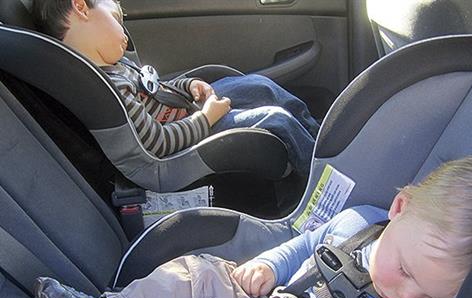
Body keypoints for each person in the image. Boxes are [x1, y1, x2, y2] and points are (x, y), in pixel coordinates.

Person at [34, 155, 472, 298]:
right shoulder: (358, 222)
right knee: (199, 275)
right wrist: (265, 264)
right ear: (400, 208)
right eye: (407, 272)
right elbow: (299, 244)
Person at [31, 0, 320, 176]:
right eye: (117, 19)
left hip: (191, 114)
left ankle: (322, 139)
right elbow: (157, 142)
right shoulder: (108, 88)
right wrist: (206, 118)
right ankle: (323, 175)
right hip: (187, 141)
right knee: (275, 119)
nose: (124, 33)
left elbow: (158, 89)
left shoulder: (118, 67)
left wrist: (189, 86)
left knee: (260, 86)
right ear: (81, 7)